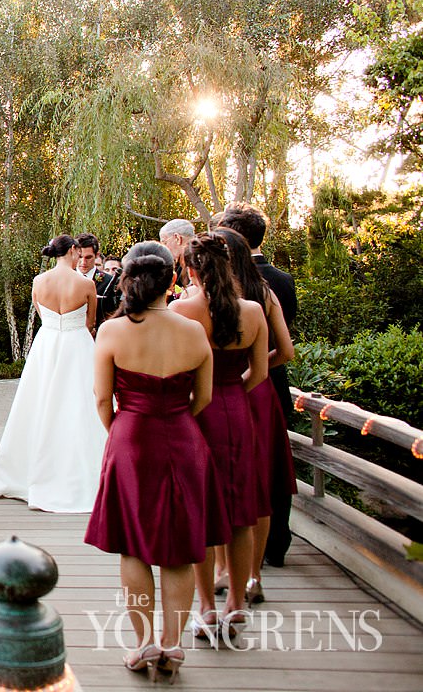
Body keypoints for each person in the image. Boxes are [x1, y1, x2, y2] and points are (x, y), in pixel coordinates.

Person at [84, 241, 224, 681]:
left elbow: (103, 398)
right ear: (172, 281)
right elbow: (203, 398)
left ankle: (144, 642)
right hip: (183, 437)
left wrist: (122, 432)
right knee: (180, 552)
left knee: (133, 546)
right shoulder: (194, 332)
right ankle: (173, 644)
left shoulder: (112, 332)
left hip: (131, 438)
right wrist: (175, 421)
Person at [170, 232, 269, 642]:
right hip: (237, 412)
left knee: (201, 511)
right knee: (241, 512)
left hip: (197, 411)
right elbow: (260, 373)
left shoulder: (183, 310)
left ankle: (207, 607)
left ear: (190, 269)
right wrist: (231, 393)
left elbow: (175, 370)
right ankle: (237, 606)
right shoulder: (253, 312)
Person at [0, 235, 106, 512]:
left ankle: (25, 473)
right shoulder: (85, 283)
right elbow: (90, 322)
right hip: (77, 343)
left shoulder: (38, 282)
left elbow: (43, 316)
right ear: (73, 251)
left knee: (38, 402)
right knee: (78, 406)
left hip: (47, 343)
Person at [216, 226, 295, 603]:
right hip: (258, 392)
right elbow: (286, 352)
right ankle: (253, 576)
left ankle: (221, 571)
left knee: (219, 483)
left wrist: (232, 382)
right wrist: (253, 372)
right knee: (258, 485)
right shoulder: (263, 293)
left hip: (222, 392)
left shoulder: (209, 299)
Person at [75, 233, 116, 333]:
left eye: (88, 257)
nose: (83, 262)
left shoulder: (109, 281)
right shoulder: (65, 279)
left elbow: (114, 315)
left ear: (97, 255)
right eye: (80, 257)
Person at [159, 219, 197, 292]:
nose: (163, 249)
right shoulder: (179, 265)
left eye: (164, 242)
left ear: (177, 238)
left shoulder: (200, 262)